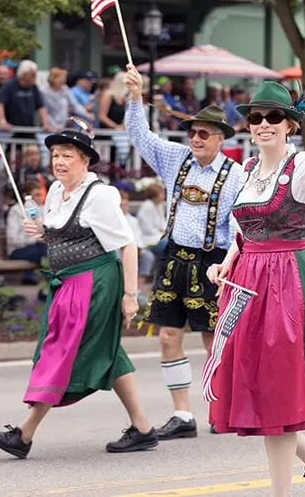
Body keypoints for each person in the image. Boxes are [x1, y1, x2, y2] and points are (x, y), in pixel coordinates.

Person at [204, 59, 305, 497]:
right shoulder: (244, 173)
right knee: (258, 392)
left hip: (289, 283)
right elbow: (242, 233)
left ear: (290, 124)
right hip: (247, 284)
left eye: (274, 117)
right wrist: (227, 260)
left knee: (276, 397)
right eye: (256, 117)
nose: (263, 124)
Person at [0, 120, 158, 458]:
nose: (59, 161)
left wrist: (130, 296)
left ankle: (24, 433)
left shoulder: (101, 195)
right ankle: (143, 427)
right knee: (106, 352)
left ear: (85, 160)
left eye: (67, 155)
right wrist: (40, 230)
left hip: (95, 283)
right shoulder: (54, 191)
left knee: (64, 353)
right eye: (55, 155)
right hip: (65, 283)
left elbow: (129, 245)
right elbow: (58, 236)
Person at [123, 65, 244, 440]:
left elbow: (241, 227)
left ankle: (222, 408)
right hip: (174, 257)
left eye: (203, 133)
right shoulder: (176, 159)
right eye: (192, 131)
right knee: (167, 336)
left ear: (220, 138)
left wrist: (229, 267)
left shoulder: (236, 175)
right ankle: (182, 415)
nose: (195, 137)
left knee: (212, 339)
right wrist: (134, 97)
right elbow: (139, 136)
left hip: (212, 263)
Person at [7, 181, 48, 285]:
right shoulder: (16, 211)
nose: (39, 198)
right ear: (27, 196)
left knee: (49, 250)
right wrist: (34, 240)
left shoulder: (43, 210)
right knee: (45, 252)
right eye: (36, 195)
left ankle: (32, 278)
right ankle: (47, 288)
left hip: (38, 248)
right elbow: (13, 239)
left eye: (41, 195)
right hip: (18, 251)